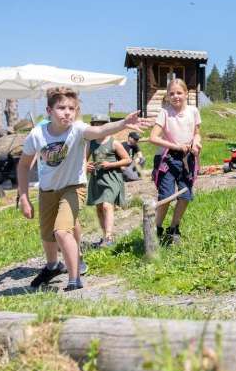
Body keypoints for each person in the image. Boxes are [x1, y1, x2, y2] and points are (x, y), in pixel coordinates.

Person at [16, 87, 149, 291]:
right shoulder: (37, 134)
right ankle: (53, 266)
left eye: (72, 108)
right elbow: (24, 166)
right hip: (47, 190)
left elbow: (100, 131)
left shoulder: (78, 129)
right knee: (47, 234)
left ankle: (74, 278)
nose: (67, 112)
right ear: (49, 111)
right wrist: (24, 197)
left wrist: (123, 123)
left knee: (62, 231)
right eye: (61, 108)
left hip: (73, 187)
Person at [149, 78, 202, 245]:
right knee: (166, 195)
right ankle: (157, 228)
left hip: (187, 157)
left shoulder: (193, 111)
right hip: (167, 158)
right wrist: (176, 146)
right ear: (167, 96)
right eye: (171, 93)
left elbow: (197, 133)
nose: (175, 96)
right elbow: (153, 137)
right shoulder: (165, 112)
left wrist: (196, 143)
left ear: (186, 93)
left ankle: (173, 228)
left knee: (185, 195)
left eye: (179, 93)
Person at [86, 114, 132, 248]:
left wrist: (111, 164)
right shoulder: (90, 143)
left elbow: (127, 160)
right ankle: (105, 235)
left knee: (107, 205)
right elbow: (84, 160)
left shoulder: (114, 142)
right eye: (96, 124)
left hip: (112, 177)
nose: (99, 126)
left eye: (102, 123)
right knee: (99, 207)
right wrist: (86, 166)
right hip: (97, 178)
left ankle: (109, 236)